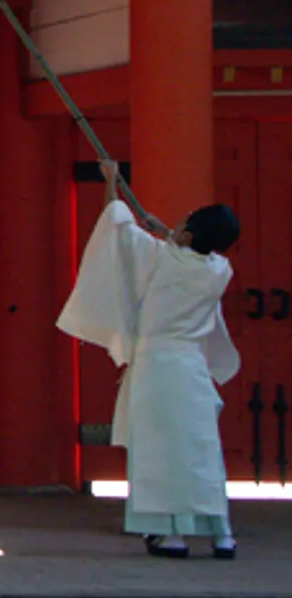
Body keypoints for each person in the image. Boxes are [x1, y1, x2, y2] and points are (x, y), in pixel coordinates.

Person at [57, 160, 242, 560]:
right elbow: (177, 254)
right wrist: (169, 235)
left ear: (188, 233)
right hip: (192, 368)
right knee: (200, 450)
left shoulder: (163, 258)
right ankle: (221, 533)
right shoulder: (219, 270)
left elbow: (117, 227)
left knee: (160, 451)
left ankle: (169, 534)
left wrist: (111, 183)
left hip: (158, 367)